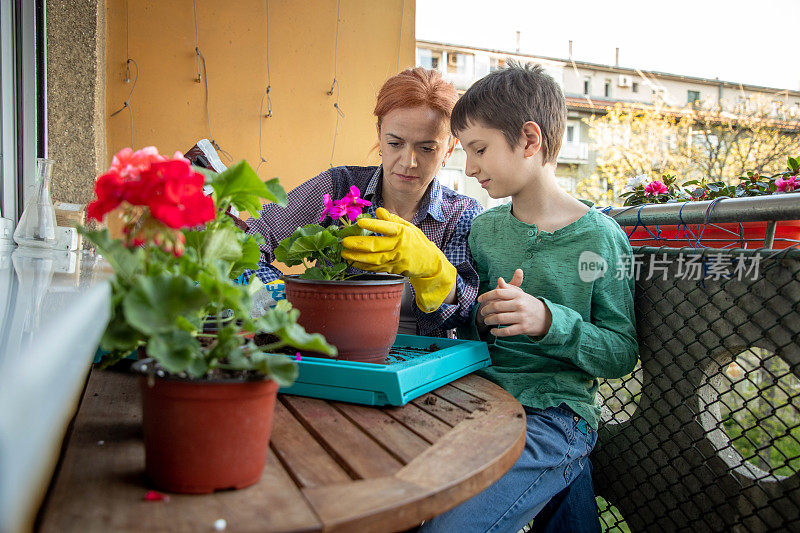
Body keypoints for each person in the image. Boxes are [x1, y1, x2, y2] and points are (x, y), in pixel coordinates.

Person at [418, 63, 638, 532]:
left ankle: (565, 462)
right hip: (480, 404)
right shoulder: (484, 230)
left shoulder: (600, 238)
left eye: (479, 149)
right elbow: (473, 327)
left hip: (555, 414)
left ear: (529, 140)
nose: (470, 167)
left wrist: (547, 320)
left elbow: (620, 352)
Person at [244, 67, 482, 337]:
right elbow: (247, 242)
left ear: (449, 149)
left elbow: (465, 314)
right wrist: (287, 304)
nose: (408, 162)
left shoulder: (462, 214)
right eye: (395, 143)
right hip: (332, 347)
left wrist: (433, 271)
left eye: (427, 148)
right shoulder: (339, 187)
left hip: (423, 362)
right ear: (379, 135)